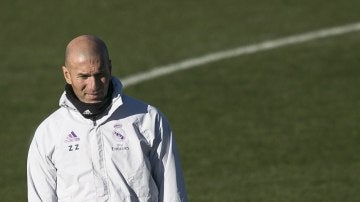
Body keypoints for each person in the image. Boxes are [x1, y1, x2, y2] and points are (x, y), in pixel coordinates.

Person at [27, 35, 188, 202]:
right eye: (84, 77)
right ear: (67, 75)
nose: (94, 85)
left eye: (100, 74)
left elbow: (172, 191)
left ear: (109, 68)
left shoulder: (147, 119)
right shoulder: (49, 133)